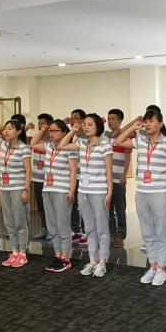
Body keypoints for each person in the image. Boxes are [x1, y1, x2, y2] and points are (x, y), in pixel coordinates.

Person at [115, 108, 166, 286]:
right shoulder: (140, 140)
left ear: (160, 124)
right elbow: (118, 140)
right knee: (147, 232)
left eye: (152, 121)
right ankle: (153, 265)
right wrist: (133, 127)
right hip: (142, 192)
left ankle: (162, 268)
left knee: (161, 231)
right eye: (146, 121)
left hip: (160, 192)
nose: (148, 124)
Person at [58, 113, 113, 278]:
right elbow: (61, 145)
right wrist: (73, 131)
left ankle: (103, 262)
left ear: (98, 126)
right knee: (89, 228)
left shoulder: (105, 144)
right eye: (84, 124)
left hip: (99, 191)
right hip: (83, 191)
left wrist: (109, 191)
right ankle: (92, 260)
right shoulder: (81, 143)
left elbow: (109, 170)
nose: (86, 127)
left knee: (101, 228)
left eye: (90, 124)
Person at [30, 119, 78, 272]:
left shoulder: (69, 148)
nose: (51, 133)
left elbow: (73, 171)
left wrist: (71, 191)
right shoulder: (49, 146)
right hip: (47, 189)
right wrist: (42, 130)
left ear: (64, 132)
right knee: (52, 226)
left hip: (62, 190)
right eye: (50, 131)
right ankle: (57, 255)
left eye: (55, 130)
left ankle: (66, 258)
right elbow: (33, 143)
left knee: (63, 225)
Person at [0, 120, 32, 268]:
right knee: (9, 222)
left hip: (18, 188)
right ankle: (14, 251)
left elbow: (28, 171)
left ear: (19, 131)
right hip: (4, 188)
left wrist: (25, 189)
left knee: (20, 221)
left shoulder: (24, 148)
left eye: (10, 129)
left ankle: (23, 253)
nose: (6, 131)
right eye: (5, 129)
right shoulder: (3, 145)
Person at [104, 109, 132, 249]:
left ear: (120, 121)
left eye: (113, 119)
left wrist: (123, 175)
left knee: (120, 208)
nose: (110, 121)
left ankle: (120, 236)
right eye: (109, 118)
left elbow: (127, 158)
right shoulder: (105, 136)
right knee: (107, 208)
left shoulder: (124, 137)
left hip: (118, 178)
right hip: (106, 180)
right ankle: (111, 234)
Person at [32, 113, 54, 239]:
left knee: (50, 206)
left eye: (43, 124)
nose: (40, 126)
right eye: (39, 123)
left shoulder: (52, 140)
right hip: (37, 178)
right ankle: (44, 228)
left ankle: (52, 230)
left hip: (49, 179)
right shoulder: (36, 139)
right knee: (40, 206)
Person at [68, 109, 88, 245]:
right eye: (72, 118)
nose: (73, 121)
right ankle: (77, 231)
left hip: (85, 176)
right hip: (74, 175)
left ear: (82, 120)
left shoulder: (87, 136)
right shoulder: (73, 136)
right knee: (74, 204)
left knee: (84, 205)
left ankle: (87, 232)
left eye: (76, 118)